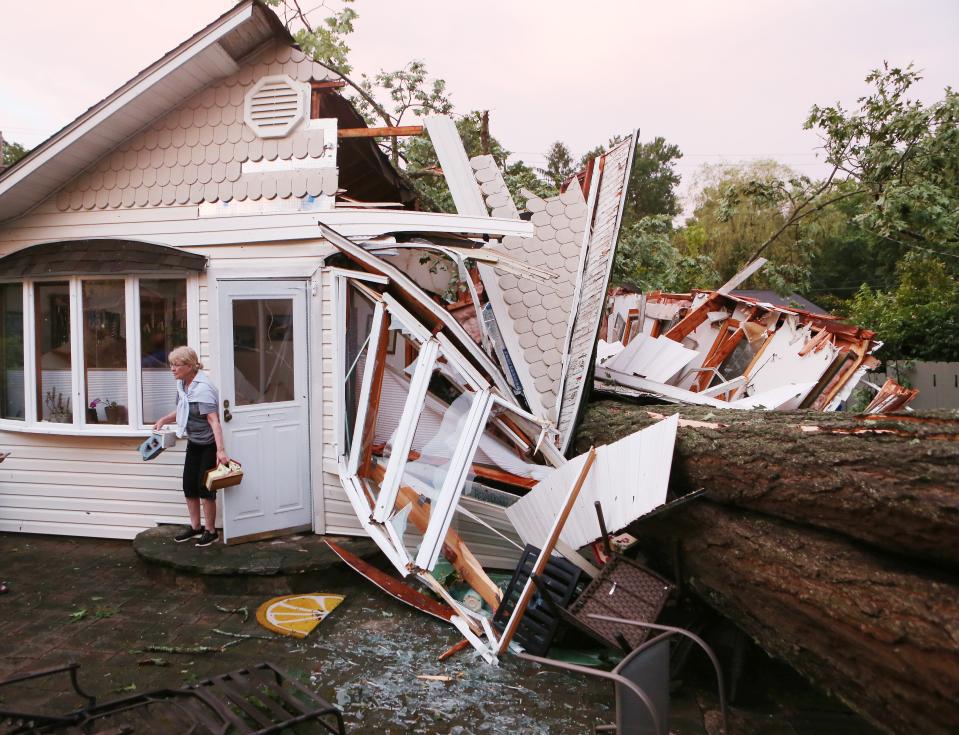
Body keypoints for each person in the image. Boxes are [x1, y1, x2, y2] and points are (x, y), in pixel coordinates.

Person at [153, 346, 228, 547]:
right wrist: (163, 419)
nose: (172, 369)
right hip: (194, 442)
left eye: (176, 365)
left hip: (208, 444)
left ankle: (211, 531)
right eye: (171, 365)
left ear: (189, 366)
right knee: (189, 486)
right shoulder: (183, 386)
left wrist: (220, 451)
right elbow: (181, 410)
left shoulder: (202, 389)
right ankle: (196, 527)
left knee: (205, 489)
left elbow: (214, 421)